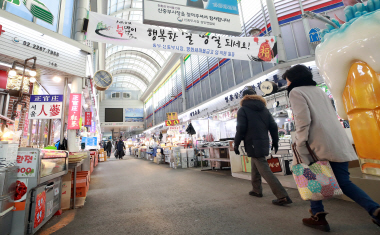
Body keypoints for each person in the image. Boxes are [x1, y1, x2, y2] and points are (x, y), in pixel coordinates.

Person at [284, 64, 380, 231]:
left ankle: (373, 210)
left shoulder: (296, 92)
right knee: (340, 181)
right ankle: (319, 215)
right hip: (336, 141)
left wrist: (299, 142)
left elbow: (302, 120)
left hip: (317, 144)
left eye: (287, 80)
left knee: (313, 176)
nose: (286, 84)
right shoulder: (319, 91)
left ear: (293, 79)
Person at [234, 88, 292, 206]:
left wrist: (236, 143)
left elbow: (240, 128)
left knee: (263, 168)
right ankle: (256, 190)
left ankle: (282, 196)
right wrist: (275, 141)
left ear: (244, 97)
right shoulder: (264, 109)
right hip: (264, 142)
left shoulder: (243, 110)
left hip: (252, 143)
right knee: (256, 164)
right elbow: (273, 126)